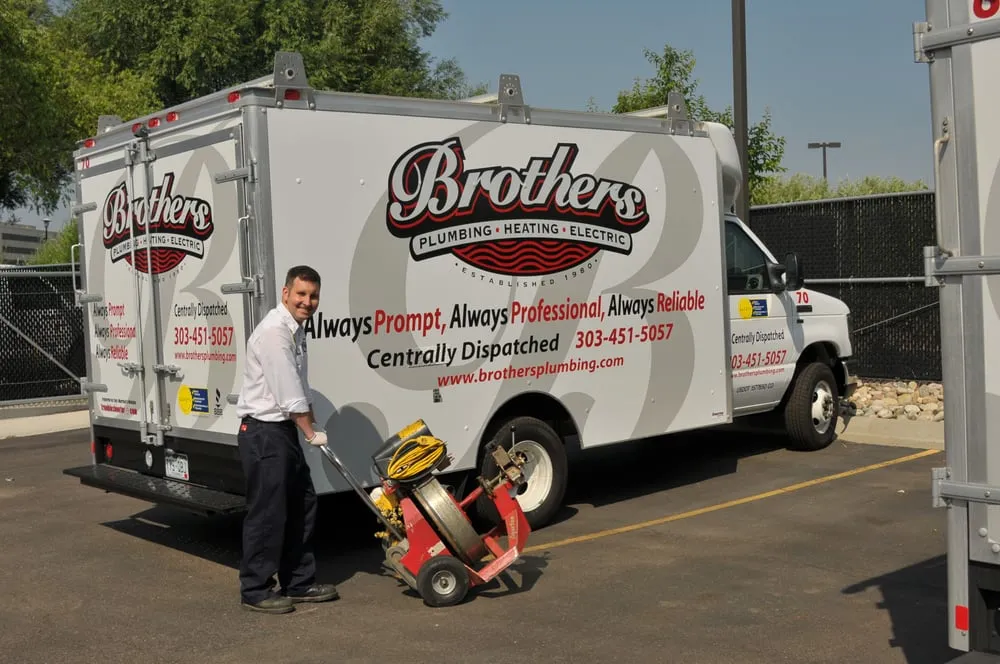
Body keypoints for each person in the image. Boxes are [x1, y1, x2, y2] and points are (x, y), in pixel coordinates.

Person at [234, 265, 339, 614]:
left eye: (313, 296)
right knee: (268, 513)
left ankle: (298, 582)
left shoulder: (296, 331)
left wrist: (310, 422)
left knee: (302, 504)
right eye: (301, 294)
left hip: (281, 433)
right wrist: (311, 432)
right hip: (264, 433)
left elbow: (301, 385)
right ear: (285, 293)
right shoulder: (274, 333)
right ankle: (255, 589)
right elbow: (288, 392)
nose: (307, 302)